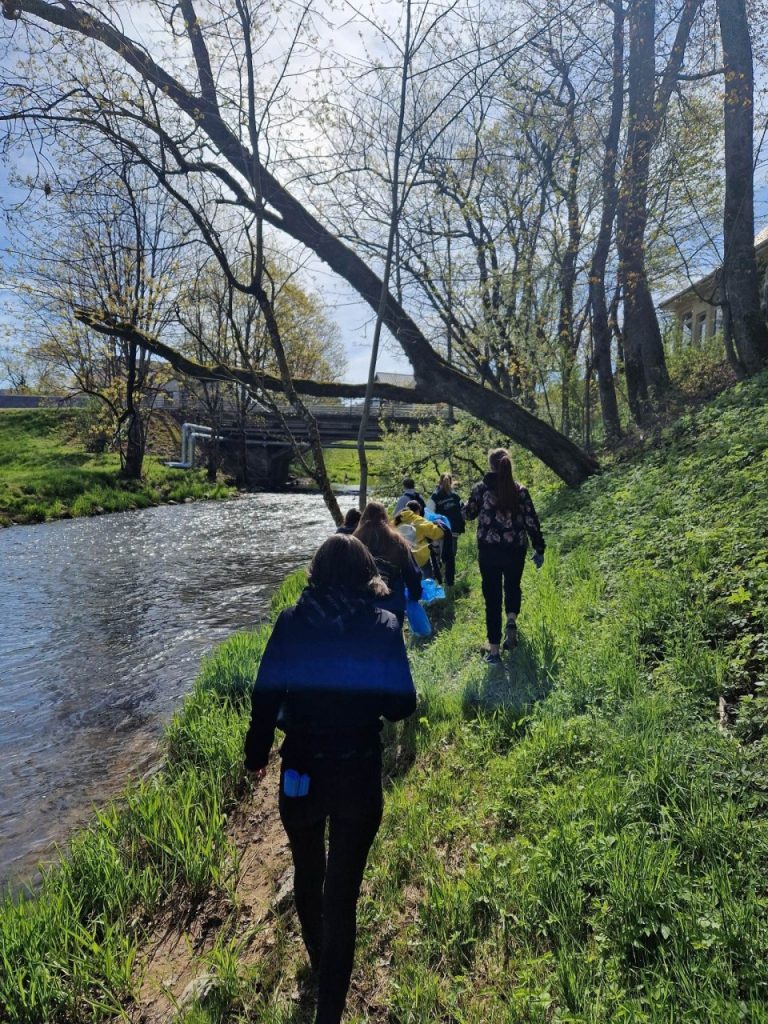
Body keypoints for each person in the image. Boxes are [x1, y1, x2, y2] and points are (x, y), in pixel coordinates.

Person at [244, 534, 416, 1024]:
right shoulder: (383, 625)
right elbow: (403, 705)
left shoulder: (292, 621)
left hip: (302, 770)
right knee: (342, 895)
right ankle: (330, 1008)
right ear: (368, 576)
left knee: (307, 870)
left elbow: (263, 695)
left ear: (313, 574)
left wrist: (257, 754)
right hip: (358, 773)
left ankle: (322, 963)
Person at [463, 448, 545, 663]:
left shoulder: (481, 489)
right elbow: (531, 520)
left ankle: (494, 652)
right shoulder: (520, 490)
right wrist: (539, 547)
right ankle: (511, 619)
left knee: (492, 597)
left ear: (490, 465)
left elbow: (468, 514)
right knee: (512, 586)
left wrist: (463, 505)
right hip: (515, 549)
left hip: (489, 551)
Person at [354, 501, 422, 624]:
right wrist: (416, 595)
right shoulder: (397, 540)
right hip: (392, 605)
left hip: (362, 606)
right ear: (385, 516)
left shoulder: (355, 540)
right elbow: (412, 572)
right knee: (392, 639)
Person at [427, 473, 465, 587]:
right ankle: (450, 582)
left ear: (439, 482)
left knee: (437, 557)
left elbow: (428, 514)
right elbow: (463, 511)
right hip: (453, 531)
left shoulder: (434, 497)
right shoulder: (456, 496)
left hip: (440, 531)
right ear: (451, 482)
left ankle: (438, 581)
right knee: (450, 557)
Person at [393, 500, 447, 577]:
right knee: (427, 581)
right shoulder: (418, 520)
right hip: (420, 559)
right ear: (418, 510)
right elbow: (437, 533)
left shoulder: (395, 521)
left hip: (401, 559)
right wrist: (441, 524)